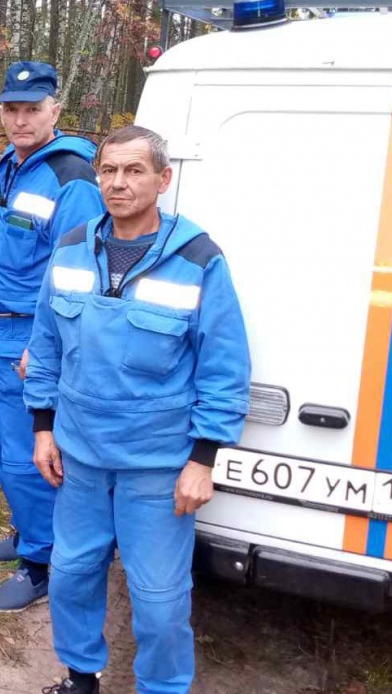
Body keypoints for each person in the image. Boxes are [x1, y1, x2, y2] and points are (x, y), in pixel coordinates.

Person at [25, 126, 251, 694]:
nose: (118, 183)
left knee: (157, 598)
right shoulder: (74, 246)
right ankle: (81, 677)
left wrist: (203, 459)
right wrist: (43, 428)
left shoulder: (197, 259)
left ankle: (163, 687)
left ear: (163, 179)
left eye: (133, 171)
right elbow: (46, 342)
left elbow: (223, 368)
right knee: (73, 576)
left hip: (157, 465)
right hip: (78, 455)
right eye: (108, 171)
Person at [0, 62, 105, 612]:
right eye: (12, 109)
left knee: (33, 454)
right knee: (3, 448)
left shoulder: (72, 175)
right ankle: (29, 533)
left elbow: (74, 272)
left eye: (32, 109)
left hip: (29, 337)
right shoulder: (14, 164)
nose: (21, 119)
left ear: (55, 110)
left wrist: (43, 346)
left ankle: (44, 564)